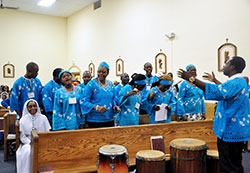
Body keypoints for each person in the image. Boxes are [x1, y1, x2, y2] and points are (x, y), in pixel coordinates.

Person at [178, 56, 250, 173]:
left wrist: (191, 79)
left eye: (226, 63)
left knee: (229, 167)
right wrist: (215, 80)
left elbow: (218, 91)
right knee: (234, 163)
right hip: (234, 129)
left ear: (232, 67)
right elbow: (225, 90)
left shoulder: (237, 82)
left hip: (230, 130)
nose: (224, 66)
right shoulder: (239, 82)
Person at [80, 62, 120, 128]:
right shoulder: (91, 84)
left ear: (108, 73)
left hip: (109, 119)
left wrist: (115, 106)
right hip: (94, 120)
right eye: (99, 72)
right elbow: (83, 101)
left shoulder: (111, 85)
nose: (100, 74)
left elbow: (113, 99)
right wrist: (96, 107)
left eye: (103, 72)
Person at [16, 99, 51, 173]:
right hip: (28, 143)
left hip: (42, 141)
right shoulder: (23, 120)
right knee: (28, 152)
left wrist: (42, 141)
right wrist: (31, 143)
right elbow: (23, 137)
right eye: (30, 106)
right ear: (27, 108)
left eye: (34, 106)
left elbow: (47, 132)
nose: (33, 108)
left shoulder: (43, 117)